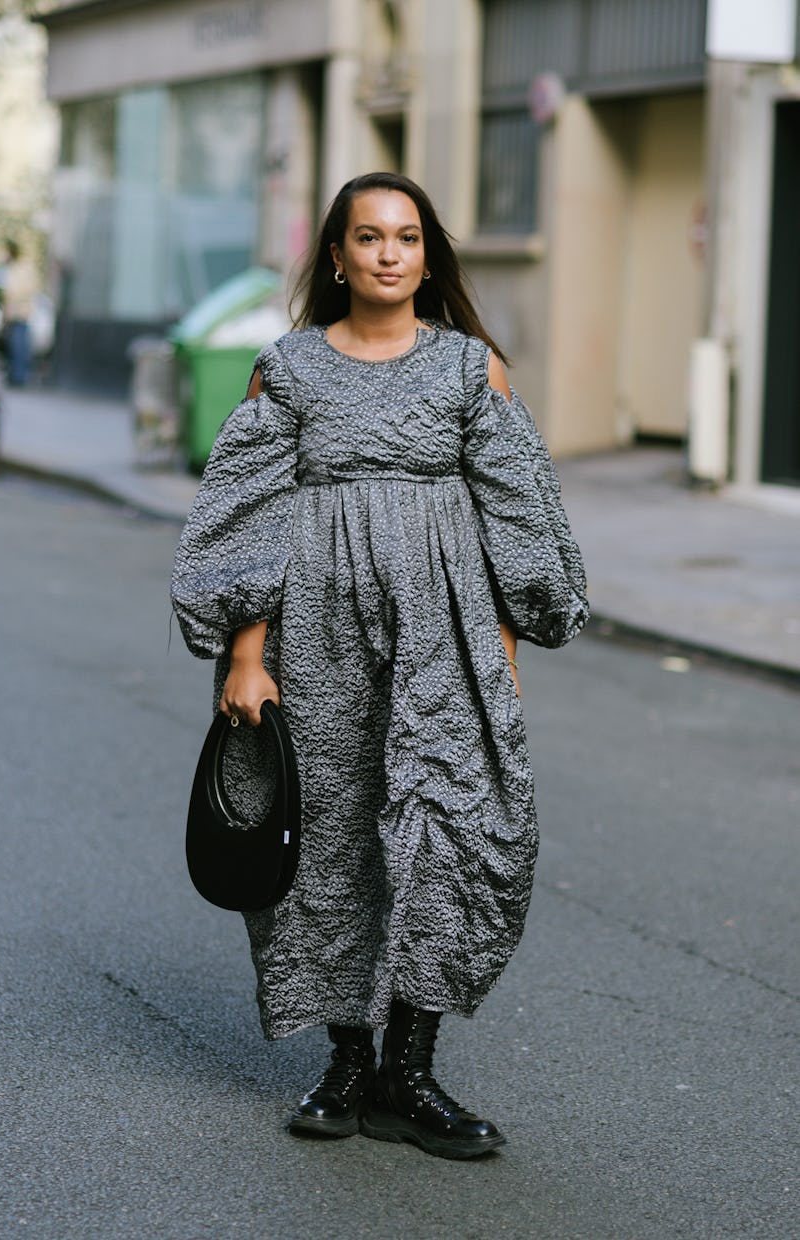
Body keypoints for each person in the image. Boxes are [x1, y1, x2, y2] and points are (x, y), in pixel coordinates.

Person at [171, 172, 588, 1160]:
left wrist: (506, 643)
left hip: (444, 632)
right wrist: (244, 655)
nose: (390, 254)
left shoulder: (469, 371)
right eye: (369, 237)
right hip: (314, 638)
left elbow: (515, 518)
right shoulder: (290, 371)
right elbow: (248, 515)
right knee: (327, 839)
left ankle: (413, 1066)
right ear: (338, 256)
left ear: (429, 255)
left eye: (407, 237)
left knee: (455, 834)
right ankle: (349, 1061)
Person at [2, 240, 38, 387]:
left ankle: (19, 377)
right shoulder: (13, 269)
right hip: (14, 315)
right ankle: (15, 376)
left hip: (20, 315)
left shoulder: (21, 269)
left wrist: (11, 308)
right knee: (15, 346)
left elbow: (18, 292)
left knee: (19, 347)